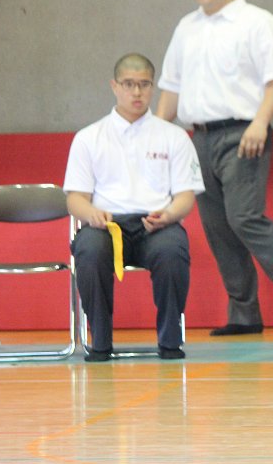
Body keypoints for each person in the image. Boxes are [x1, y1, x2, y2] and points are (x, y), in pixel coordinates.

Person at [156, 0, 273, 337]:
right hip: (198, 138)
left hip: (243, 133)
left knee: (244, 218)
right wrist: (153, 135)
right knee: (217, 226)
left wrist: (261, 122)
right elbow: (171, 88)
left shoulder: (257, 22)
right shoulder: (186, 27)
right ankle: (243, 313)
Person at [65, 53, 204, 362]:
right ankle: (100, 341)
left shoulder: (174, 136)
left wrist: (169, 214)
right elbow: (75, 198)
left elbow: (185, 196)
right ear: (114, 86)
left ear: (153, 87)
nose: (137, 92)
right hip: (106, 225)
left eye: (144, 84)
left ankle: (170, 341)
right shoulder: (89, 137)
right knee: (89, 250)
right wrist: (91, 214)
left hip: (156, 224)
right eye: (129, 84)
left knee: (172, 251)